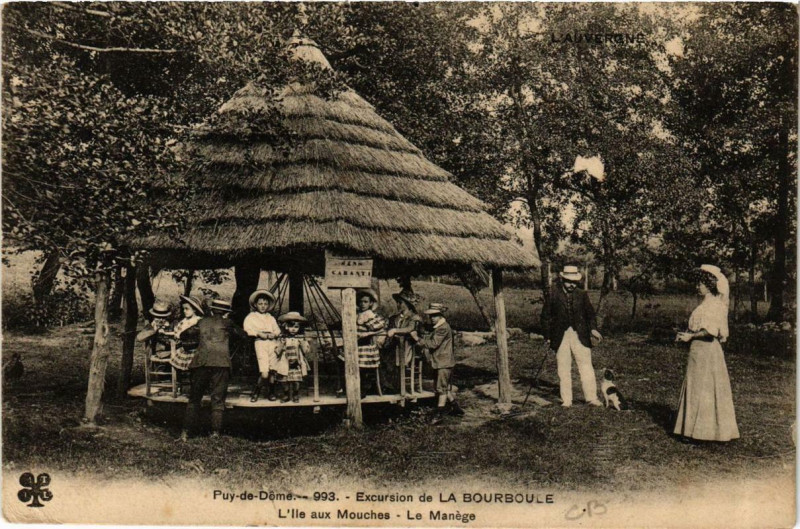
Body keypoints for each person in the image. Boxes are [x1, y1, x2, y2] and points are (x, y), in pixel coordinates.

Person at [674, 265, 739, 442]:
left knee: (704, 388)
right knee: (697, 387)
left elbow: (710, 331)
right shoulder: (705, 304)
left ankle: (702, 432)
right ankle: (692, 430)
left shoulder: (713, 305)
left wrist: (690, 336)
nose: (697, 286)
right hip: (699, 350)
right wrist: (686, 335)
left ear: (709, 285)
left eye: (701, 283)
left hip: (707, 349)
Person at [181, 298, 244, 440]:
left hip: (200, 363)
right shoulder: (228, 323)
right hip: (221, 363)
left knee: (194, 399)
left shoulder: (201, 321)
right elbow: (243, 336)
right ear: (226, 313)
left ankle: (185, 432)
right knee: (217, 399)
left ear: (211, 310)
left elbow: (184, 335)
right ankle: (215, 434)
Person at [541, 265, 603, 408]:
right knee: (563, 368)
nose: (571, 285)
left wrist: (593, 329)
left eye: (574, 282)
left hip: (579, 334)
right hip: (560, 336)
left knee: (586, 366)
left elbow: (590, 314)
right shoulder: (553, 294)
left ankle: (591, 398)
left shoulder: (582, 294)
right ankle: (567, 400)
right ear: (562, 280)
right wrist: (548, 336)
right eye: (568, 281)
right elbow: (545, 317)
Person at [410, 303, 464, 417]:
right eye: (431, 316)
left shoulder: (443, 328)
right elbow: (428, 333)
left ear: (440, 315)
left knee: (441, 389)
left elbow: (433, 344)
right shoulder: (439, 327)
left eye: (434, 316)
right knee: (443, 387)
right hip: (440, 362)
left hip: (443, 362)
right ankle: (456, 408)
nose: (432, 318)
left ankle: (439, 414)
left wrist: (416, 338)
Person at [243, 290, 281, 402]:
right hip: (260, 343)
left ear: (268, 305)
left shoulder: (271, 317)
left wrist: (274, 334)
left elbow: (277, 330)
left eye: (265, 304)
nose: (263, 306)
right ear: (255, 305)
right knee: (264, 373)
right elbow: (247, 329)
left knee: (272, 370)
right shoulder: (251, 317)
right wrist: (258, 333)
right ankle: (256, 391)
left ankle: (271, 392)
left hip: (272, 343)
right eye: (260, 304)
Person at [385, 289, 422, 393]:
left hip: (407, 345)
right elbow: (388, 328)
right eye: (397, 302)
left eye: (400, 302)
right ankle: (388, 386)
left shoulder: (414, 317)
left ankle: (395, 387)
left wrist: (395, 330)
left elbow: (410, 328)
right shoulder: (395, 318)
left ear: (407, 304)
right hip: (395, 344)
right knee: (384, 357)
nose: (398, 304)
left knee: (393, 358)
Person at [356, 288, 387, 397]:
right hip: (357, 344)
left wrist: (368, 334)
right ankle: (352, 387)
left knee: (362, 368)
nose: (362, 304)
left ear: (370, 303)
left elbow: (379, 327)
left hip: (367, 346)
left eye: (365, 302)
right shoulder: (358, 314)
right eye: (360, 302)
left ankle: (362, 390)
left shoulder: (369, 314)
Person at [275, 311, 310, 403]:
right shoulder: (282, 338)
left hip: (296, 362)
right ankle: (286, 394)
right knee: (284, 380)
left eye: (296, 327)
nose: (293, 329)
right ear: (286, 327)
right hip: (285, 361)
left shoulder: (301, 338)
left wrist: (302, 342)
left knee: (296, 380)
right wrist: (282, 344)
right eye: (291, 327)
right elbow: (277, 351)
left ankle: (295, 394)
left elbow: (306, 351)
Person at [169, 295, 204, 373]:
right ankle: (180, 381)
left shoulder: (197, 321)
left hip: (193, 348)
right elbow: (177, 332)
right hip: (184, 346)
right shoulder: (184, 320)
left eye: (187, 309)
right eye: (183, 309)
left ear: (194, 310)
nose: (184, 311)